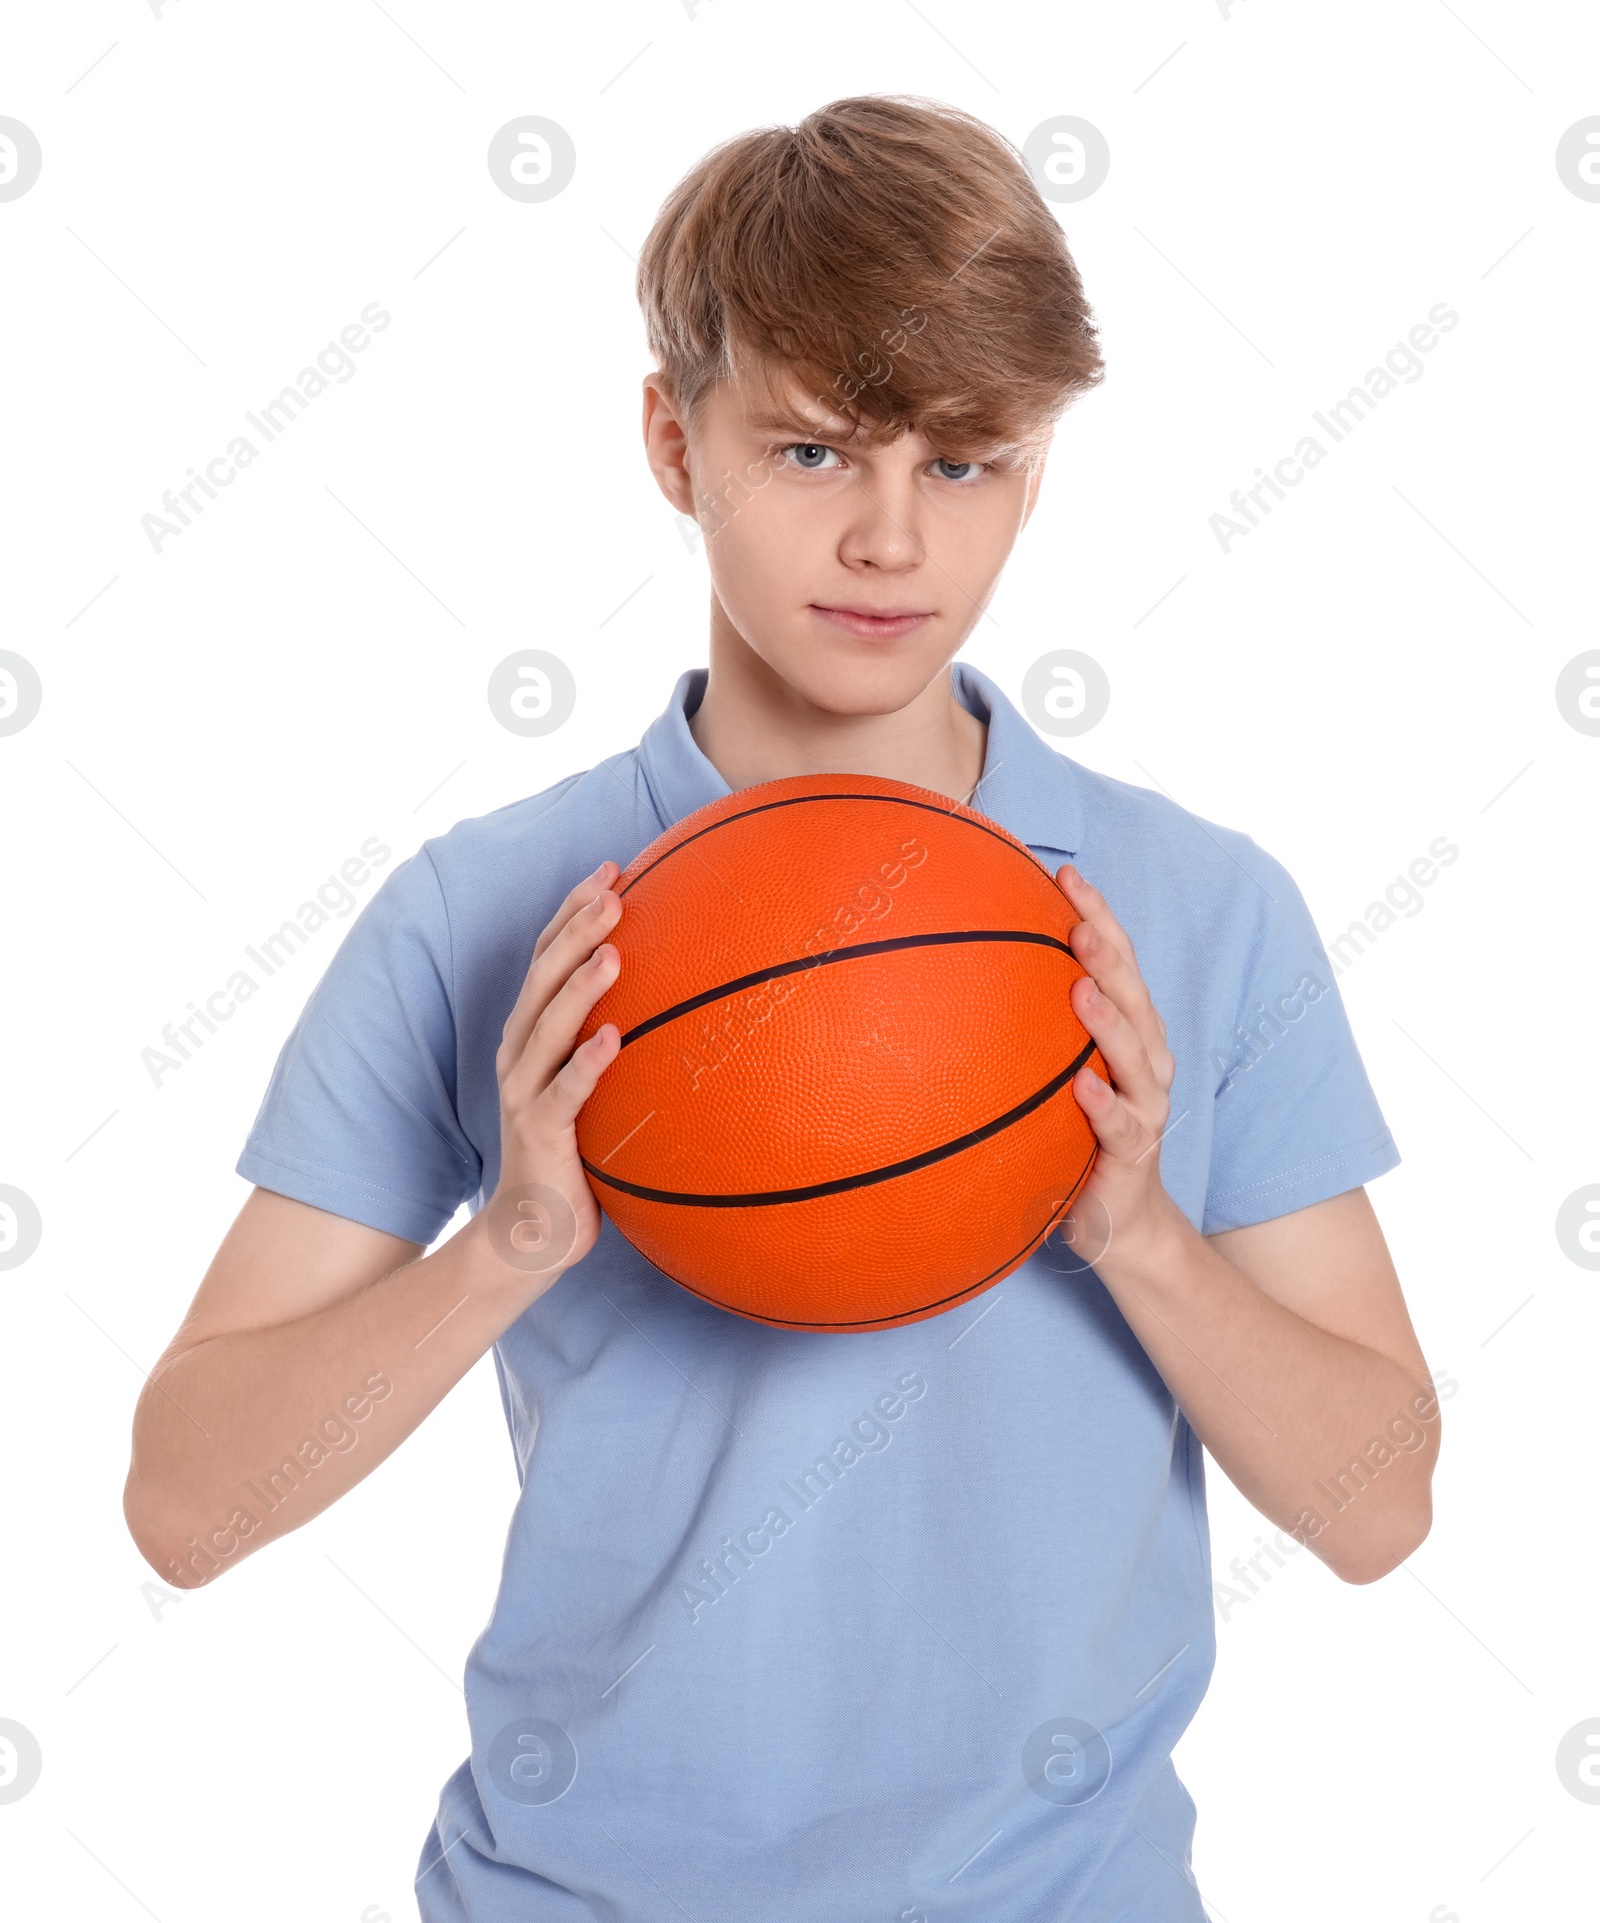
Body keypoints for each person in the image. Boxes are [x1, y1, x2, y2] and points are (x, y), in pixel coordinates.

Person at [124, 94, 1440, 1920]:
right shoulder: (488, 915)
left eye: (965, 463)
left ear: (1037, 470)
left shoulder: (1201, 911)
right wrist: (509, 1239)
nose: (894, 540)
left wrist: (1140, 1238)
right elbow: (186, 1511)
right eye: (816, 454)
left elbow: (1381, 1511)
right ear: (675, 443)